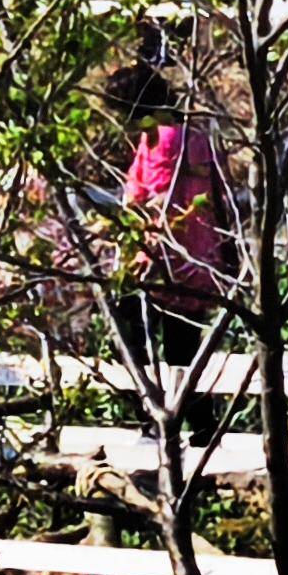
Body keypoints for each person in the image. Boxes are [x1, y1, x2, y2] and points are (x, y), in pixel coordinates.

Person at [97, 60, 229, 440]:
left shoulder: (160, 139)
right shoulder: (196, 136)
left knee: (132, 336)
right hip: (198, 254)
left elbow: (152, 197)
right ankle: (201, 424)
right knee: (182, 346)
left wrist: (119, 226)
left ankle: (152, 414)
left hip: (161, 256)